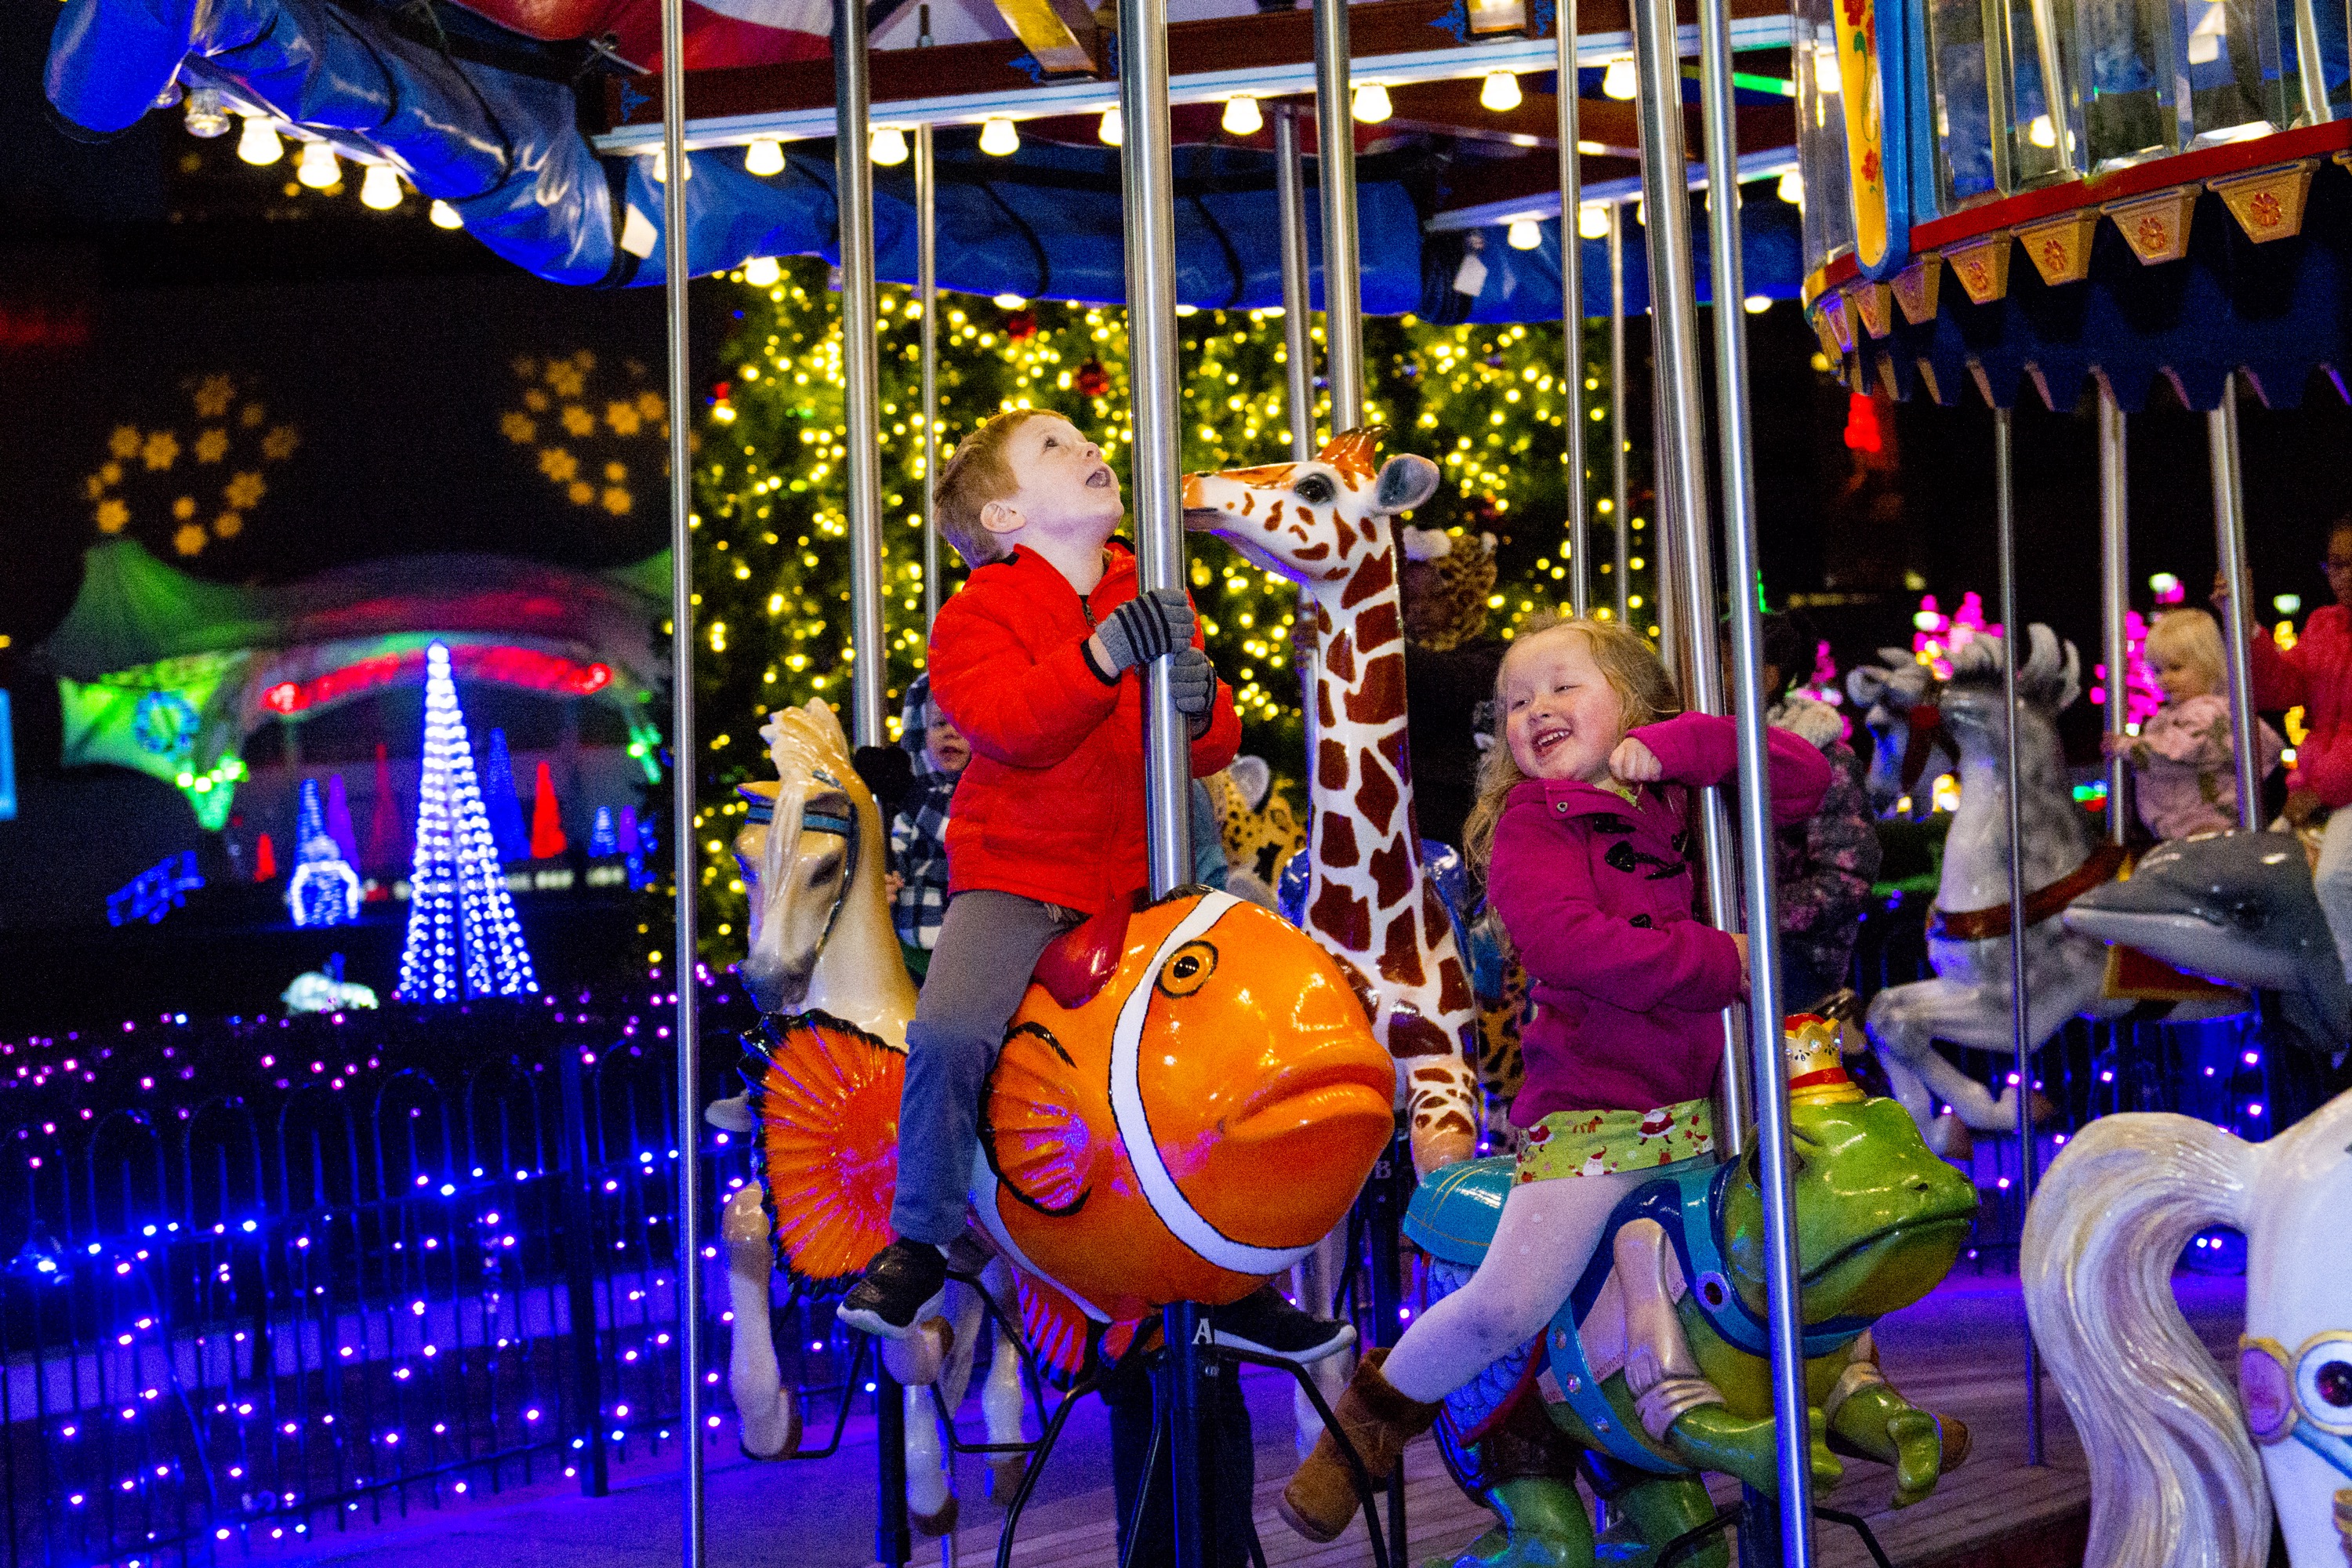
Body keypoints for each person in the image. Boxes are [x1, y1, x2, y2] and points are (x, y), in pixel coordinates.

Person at [1279, 613, 1831, 1544]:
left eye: (1562, 685)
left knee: (1785, 1256)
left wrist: (1689, 740)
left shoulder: (1681, 795)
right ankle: (1364, 1424)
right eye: (1515, 701)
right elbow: (1568, 945)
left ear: (1635, 704)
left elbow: (1803, 780)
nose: (1536, 708)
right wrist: (1723, 961)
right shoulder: (1536, 821)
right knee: (1508, 1302)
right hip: (1597, 1122)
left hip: (1701, 1117)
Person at [837, 408, 1352, 1369]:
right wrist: (1104, 657)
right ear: (1003, 513)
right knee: (951, 1030)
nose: (1086, 448)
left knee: (1219, 1064)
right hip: (1022, 875)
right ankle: (917, 1239)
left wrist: (1199, 701)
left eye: (1082, 436)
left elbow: (1206, 747)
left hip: (1144, 878)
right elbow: (1008, 720)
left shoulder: (1141, 582)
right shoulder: (980, 612)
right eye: (1052, 447)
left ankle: (1235, 1282)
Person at [2225, 528, 2352, 976]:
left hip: (2338, 792)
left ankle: (2346, 990)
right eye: (2335, 565)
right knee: (2254, 876)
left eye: (2350, 563)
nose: (2342, 577)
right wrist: (2248, 623)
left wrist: (2322, 792)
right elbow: (2281, 686)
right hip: (2322, 788)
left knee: (2337, 879)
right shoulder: (2324, 623)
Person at [1757, 612, 1881, 1008]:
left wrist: (1742, 915)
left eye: (1718, 664)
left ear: (1766, 677)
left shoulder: (1825, 761)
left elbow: (1845, 879)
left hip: (1795, 961)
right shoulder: (1712, 756)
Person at [2108, 607, 2281, 841]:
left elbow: (2177, 752)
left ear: (2207, 663)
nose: (2164, 678)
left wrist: (2124, 746)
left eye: (2176, 668)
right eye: (2158, 670)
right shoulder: (2174, 715)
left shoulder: (2207, 712)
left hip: (2208, 823)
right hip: (2184, 825)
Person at [885, 674, 968, 980]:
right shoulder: (910, 807)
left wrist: (911, 795)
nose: (949, 733)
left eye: (959, 724)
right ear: (921, 735)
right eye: (938, 724)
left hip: (967, 945)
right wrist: (888, 880)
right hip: (913, 940)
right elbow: (897, 854)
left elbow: (956, 835)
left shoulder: (984, 794)